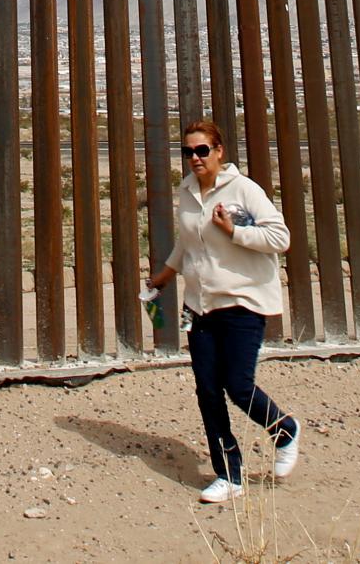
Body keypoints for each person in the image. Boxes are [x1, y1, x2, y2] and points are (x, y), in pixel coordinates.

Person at [140, 119, 300, 503]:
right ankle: (228, 475)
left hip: (242, 302)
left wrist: (235, 232)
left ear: (219, 151)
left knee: (238, 385)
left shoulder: (244, 189)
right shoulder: (187, 191)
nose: (194, 158)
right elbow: (187, 243)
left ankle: (285, 430)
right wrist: (163, 276)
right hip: (199, 305)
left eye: (201, 150)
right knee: (208, 391)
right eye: (188, 152)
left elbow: (281, 237)